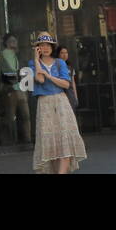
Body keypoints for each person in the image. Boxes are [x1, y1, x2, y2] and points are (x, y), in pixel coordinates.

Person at [28, 32, 86, 173]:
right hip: (45, 104)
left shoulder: (60, 62)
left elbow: (66, 84)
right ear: (37, 48)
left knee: (65, 140)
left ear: (53, 47)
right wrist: (36, 59)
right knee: (50, 145)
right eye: (42, 45)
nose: (45, 48)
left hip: (61, 102)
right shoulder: (32, 64)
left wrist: (48, 75)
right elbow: (39, 80)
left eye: (48, 45)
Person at [0, 33, 31, 145]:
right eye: (11, 41)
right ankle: (5, 139)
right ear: (6, 43)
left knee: (25, 115)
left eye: (15, 41)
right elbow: (9, 72)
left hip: (19, 88)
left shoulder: (17, 55)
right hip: (11, 88)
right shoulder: (5, 54)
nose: (14, 43)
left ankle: (27, 138)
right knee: (10, 116)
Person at [57, 45, 79, 111]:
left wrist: (75, 96)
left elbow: (73, 82)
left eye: (66, 53)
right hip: (60, 94)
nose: (64, 55)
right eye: (62, 53)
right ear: (58, 54)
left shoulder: (70, 67)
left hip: (70, 94)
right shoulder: (55, 66)